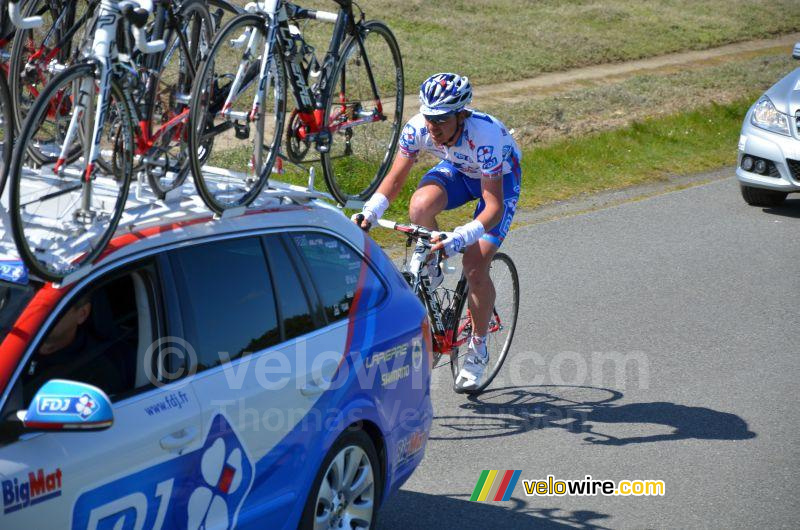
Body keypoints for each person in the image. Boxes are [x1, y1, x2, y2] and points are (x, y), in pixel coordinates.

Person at [354, 72, 522, 390]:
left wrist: (461, 236)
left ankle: (478, 346)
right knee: (419, 207)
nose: (433, 127)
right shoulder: (419, 128)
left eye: (442, 119)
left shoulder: (485, 136)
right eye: (430, 117)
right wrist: (370, 212)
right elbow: (395, 179)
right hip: (459, 170)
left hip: (498, 182)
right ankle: (432, 264)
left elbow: (493, 206)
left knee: (475, 264)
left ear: (462, 115)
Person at [23, 297, 130, 403]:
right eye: (35, 307)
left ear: (82, 314)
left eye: (54, 309)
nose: (39, 314)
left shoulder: (97, 373)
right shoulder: (11, 340)